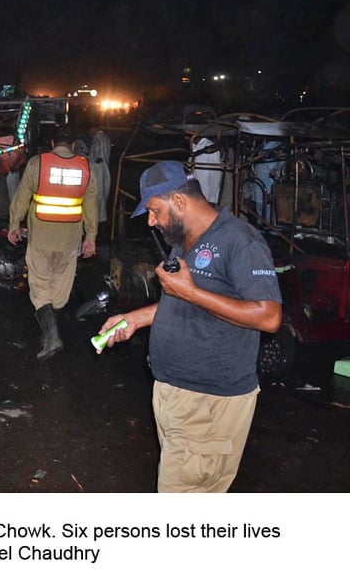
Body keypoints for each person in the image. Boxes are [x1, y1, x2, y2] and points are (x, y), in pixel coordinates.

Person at [95, 160, 281, 492]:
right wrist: (136, 318)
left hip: (209, 402)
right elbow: (184, 301)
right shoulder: (185, 240)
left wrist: (191, 292)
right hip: (177, 394)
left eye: (154, 210)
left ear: (179, 202)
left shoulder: (241, 241)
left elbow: (268, 317)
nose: (151, 221)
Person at [7, 124, 98, 359]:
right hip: (69, 241)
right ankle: (50, 334)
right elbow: (91, 207)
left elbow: (22, 197)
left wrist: (14, 225)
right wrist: (91, 238)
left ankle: (51, 335)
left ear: (52, 143)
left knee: (40, 288)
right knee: (59, 290)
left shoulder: (38, 163)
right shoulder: (85, 167)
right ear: (74, 145)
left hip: (41, 238)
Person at [86, 123, 112, 227]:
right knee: (102, 196)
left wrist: (87, 158)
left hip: (98, 171)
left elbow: (97, 157)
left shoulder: (97, 139)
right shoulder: (105, 138)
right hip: (104, 170)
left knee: (97, 196)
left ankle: (97, 222)